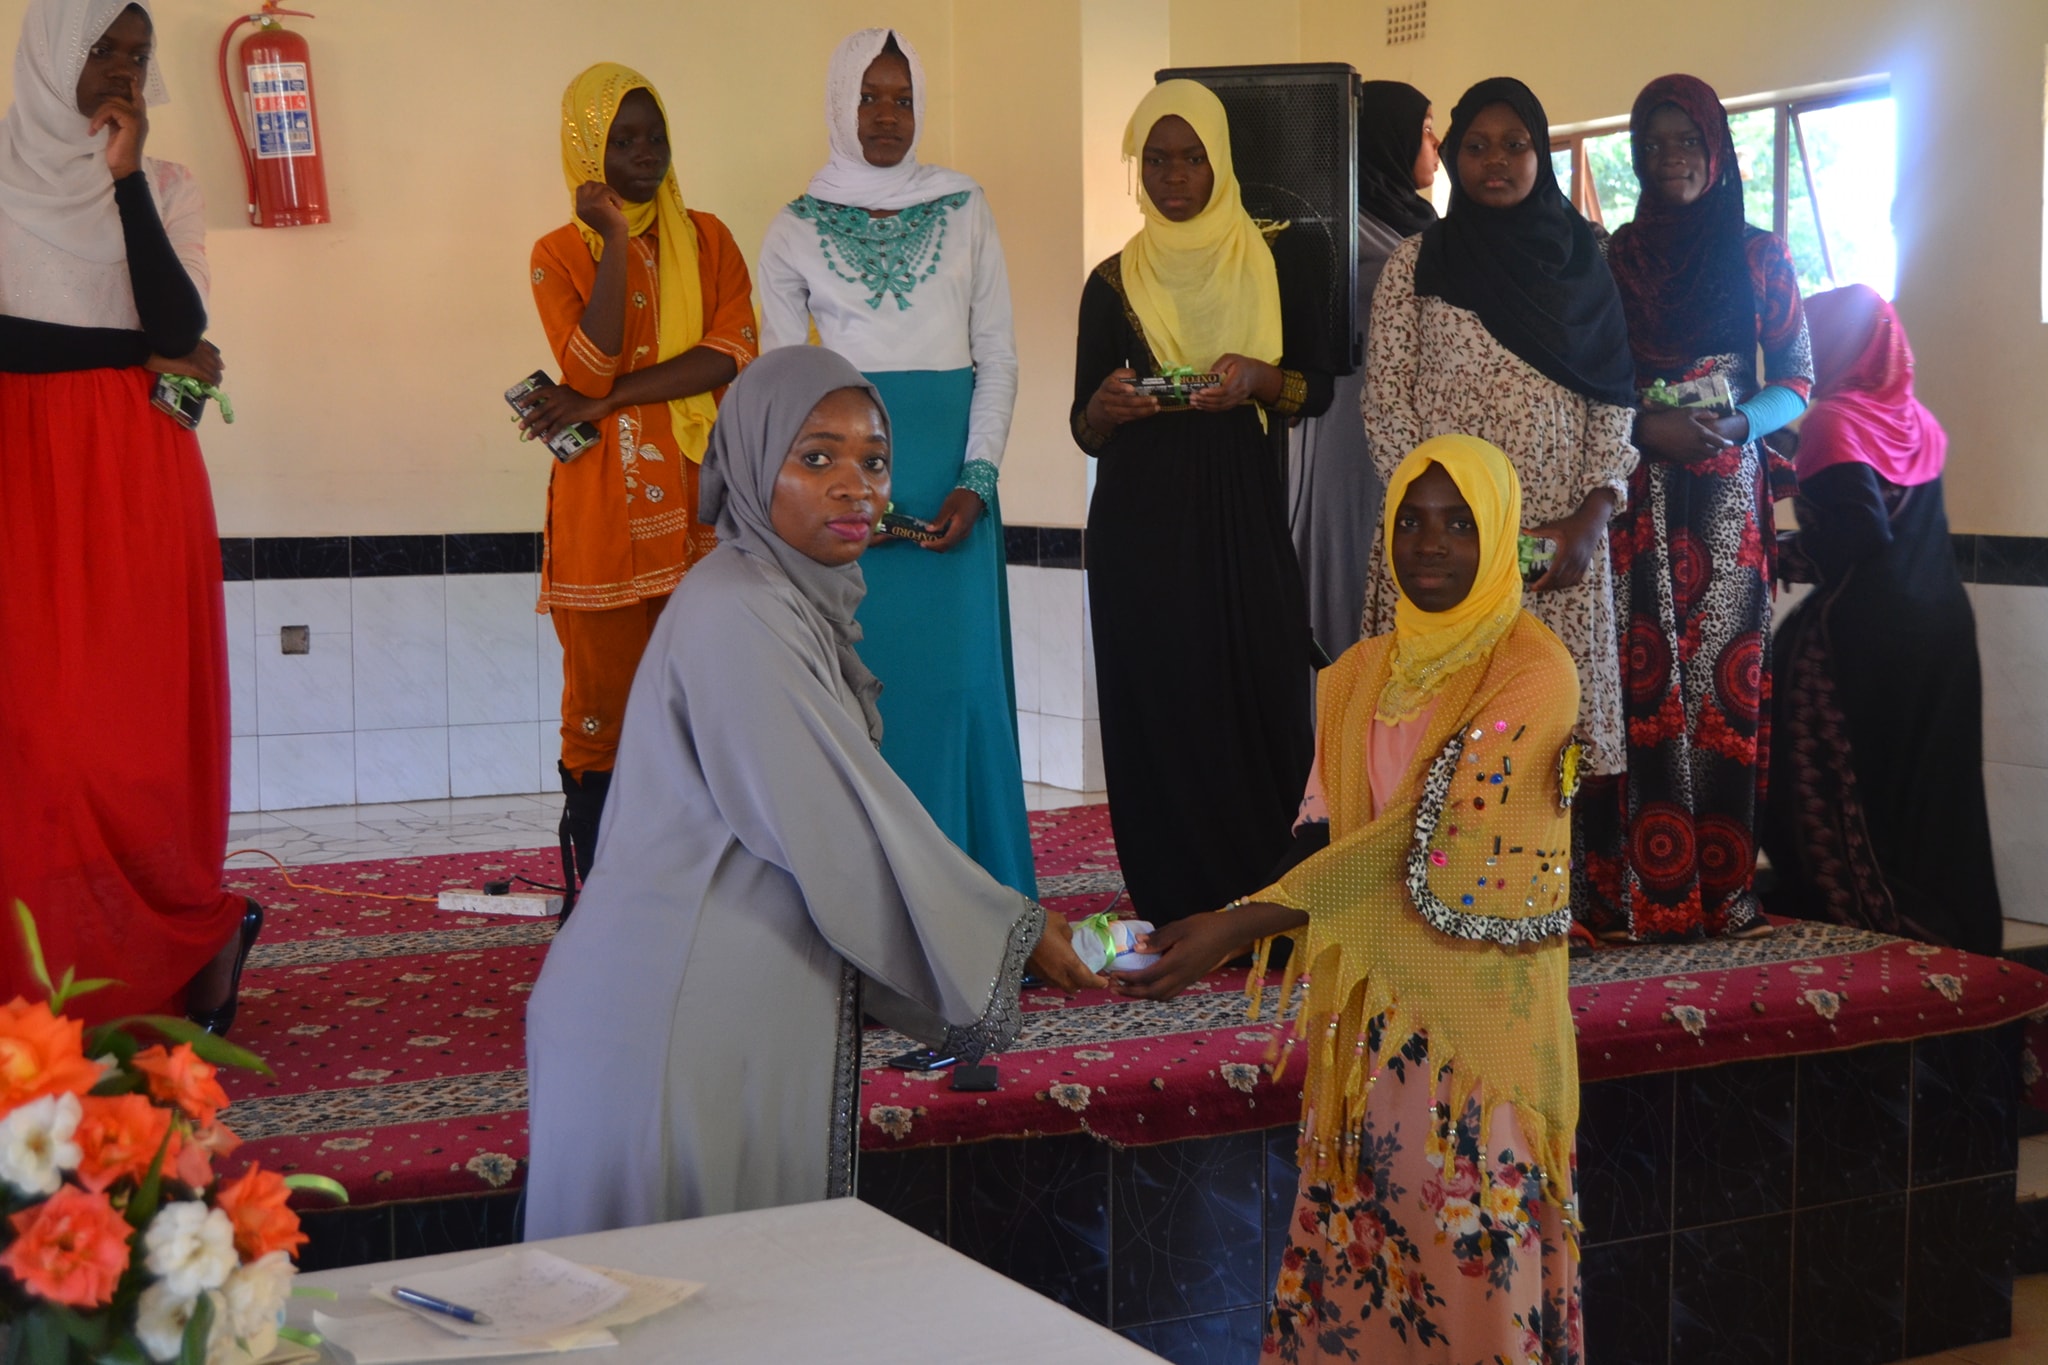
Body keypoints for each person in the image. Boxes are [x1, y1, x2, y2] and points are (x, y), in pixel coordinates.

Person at [523, 348, 1103, 1238]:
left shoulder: (784, 596)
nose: (854, 486)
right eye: (816, 456)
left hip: (700, 1011)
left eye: (875, 461)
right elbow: (834, 825)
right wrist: (1011, 933)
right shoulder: (738, 610)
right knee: (679, 1290)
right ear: (754, 463)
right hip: (669, 1023)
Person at [1116, 435, 1584, 1364]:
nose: (1430, 543)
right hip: (1373, 1017)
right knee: (1373, 1251)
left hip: (1478, 1032)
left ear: (1500, 535)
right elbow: (1323, 826)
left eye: (1460, 524)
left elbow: (1426, 836)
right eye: (1411, 520)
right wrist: (1232, 914)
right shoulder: (1361, 673)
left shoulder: (1534, 672)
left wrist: (1239, 925)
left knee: (1471, 1258)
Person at [0, 0, 256, 1031]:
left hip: (136, 473)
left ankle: (185, 938)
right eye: (101, 47)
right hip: (22, 471)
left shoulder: (168, 183)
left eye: (137, 55)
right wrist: (130, 353)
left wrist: (125, 179)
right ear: (51, 54)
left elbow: (179, 321)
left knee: (135, 735)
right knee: (37, 734)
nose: (121, 69)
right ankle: (43, 967)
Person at [757, 29, 1034, 901]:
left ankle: (980, 908)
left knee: (959, 691)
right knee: (868, 701)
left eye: (903, 99)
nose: (887, 116)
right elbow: (781, 386)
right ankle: (876, 914)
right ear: (839, 104)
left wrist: (976, 480)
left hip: (955, 493)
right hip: (851, 500)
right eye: (870, 98)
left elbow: (998, 357)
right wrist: (833, 497)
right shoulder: (794, 228)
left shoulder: (964, 205)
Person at [1072, 79, 1329, 926]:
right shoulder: (1111, 282)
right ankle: (1174, 893)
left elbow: (1315, 390)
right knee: (1161, 692)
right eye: (1156, 160)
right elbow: (1083, 426)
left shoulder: (1274, 258)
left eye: (1191, 158)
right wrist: (1106, 407)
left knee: (1257, 682)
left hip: (1238, 512)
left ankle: (1266, 890)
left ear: (1220, 162)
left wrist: (1257, 378)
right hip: (1139, 525)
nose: (1174, 176)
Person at [1361, 77, 1637, 825]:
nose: (1495, 161)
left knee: (1542, 750)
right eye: (1476, 146)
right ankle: (1425, 889)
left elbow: (1614, 402)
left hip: (1554, 548)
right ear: (1453, 157)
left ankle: (1536, 888)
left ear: (1539, 155)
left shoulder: (1584, 265)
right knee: (1434, 749)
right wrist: (1443, 526)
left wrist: (1590, 518)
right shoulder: (1415, 266)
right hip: (1440, 550)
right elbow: (1387, 405)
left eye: (1515, 145)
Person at [1581, 74, 1813, 942]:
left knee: (1724, 692)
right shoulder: (1617, 258)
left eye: (1686, 141)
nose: (1668, 158)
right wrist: (1648, 426)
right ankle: (1630, 895)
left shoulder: (1760, 256)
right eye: (1653, 143)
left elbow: (1799, 377)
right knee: (1635, 685)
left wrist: (1739, 423)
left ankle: (1722, 894)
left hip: (1726, 499)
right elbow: (1592, 379)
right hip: (1635, 493)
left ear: (1716, 150)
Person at [518, 63, 758, 897]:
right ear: (589, 155)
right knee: (602, 722)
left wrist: (612, 398)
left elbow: (731, 352)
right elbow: (588, 363)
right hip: (603, 523)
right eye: (622, 141)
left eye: (655, 137)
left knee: (704, 710)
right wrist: (615, 241)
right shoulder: (557, 255)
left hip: (702, 514)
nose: (645, 154)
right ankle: (603, 904)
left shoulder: (711, 240)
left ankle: (701, 901)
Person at [1762, 285, 2000, 954]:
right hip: (1942, 631)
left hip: (1865, 635)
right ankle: (1948, 930)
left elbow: (1860, 533)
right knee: (1926, 787)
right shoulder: (1916, 419)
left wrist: (1776, 554)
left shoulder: (1833, 422)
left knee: (1818, 770)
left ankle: (1856, 910)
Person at [1288, 80, 1438, 658]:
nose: (1437, 144)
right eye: (1426, 129)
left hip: (1419, 425)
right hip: (1349, 423)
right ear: (1386, 139)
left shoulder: (1424, 224)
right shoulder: (1340, 227)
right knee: (1349, 558)